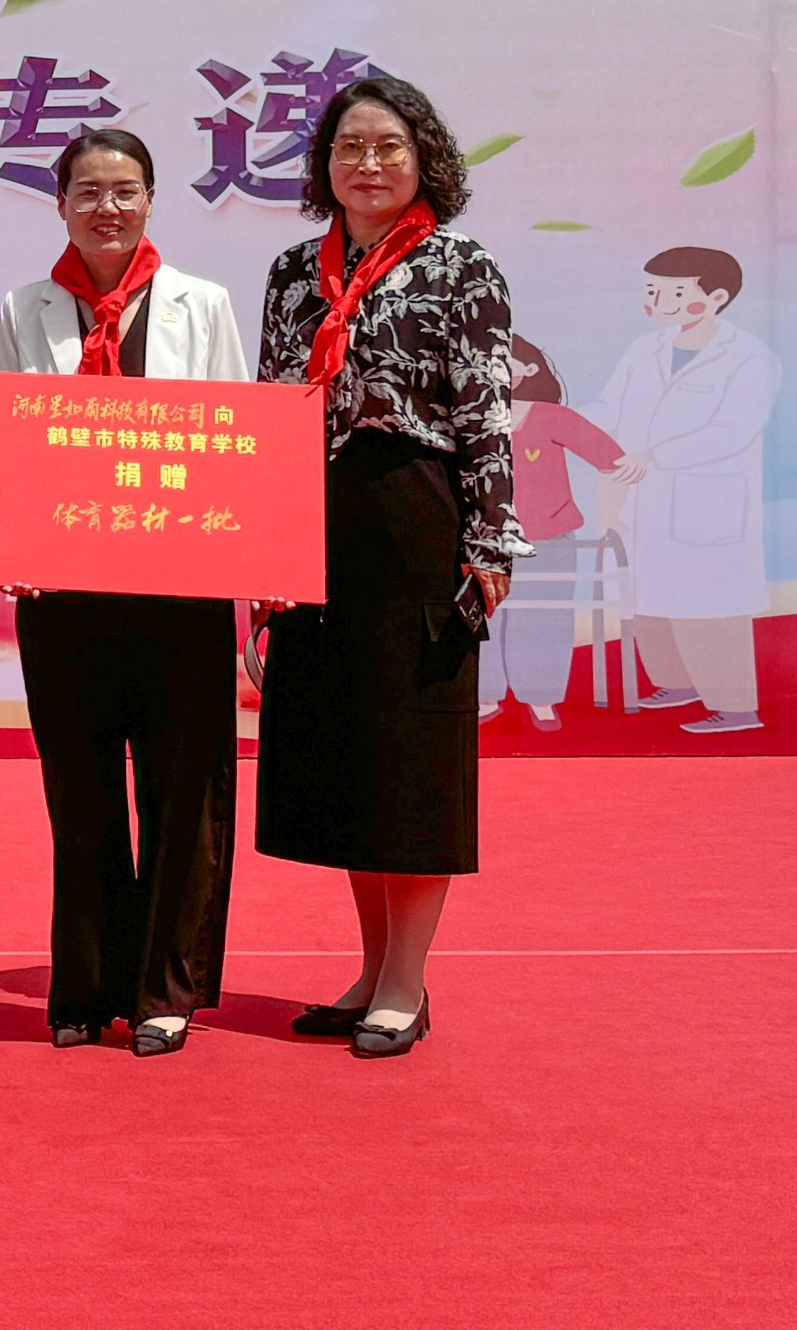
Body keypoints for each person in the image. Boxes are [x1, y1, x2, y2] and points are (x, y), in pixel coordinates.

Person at [251, 75, 515, 1060]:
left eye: (388, 147)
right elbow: (270, 412)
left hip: (417, 520)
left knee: (412, 759)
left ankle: (407, 980)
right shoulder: (289, 271)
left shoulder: (461, 266)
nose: (368, 164)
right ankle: (367, 969)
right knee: (348, 760)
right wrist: (261, 543)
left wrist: (489, 540)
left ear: (424, 159)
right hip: (315, 528)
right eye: (349, 147)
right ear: (324, 165)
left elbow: (487, 408)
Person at [0, 127, 250, 1057]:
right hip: (65, 597)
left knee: (186, 791)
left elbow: (238, 437)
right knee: (84, 791)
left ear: (151, 201)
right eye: (88, 191)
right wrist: (13, 540)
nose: (108, 206)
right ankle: (87, 984)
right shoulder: (27, 308)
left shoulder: (202, 304)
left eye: (126, 190)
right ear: (59, 204)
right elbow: (11, 440)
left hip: (181, 590)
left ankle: (164, 988)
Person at [584, 247, 781, 735]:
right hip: (641, 497)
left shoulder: (750, 357)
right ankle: (674, 683)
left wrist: (657, 456)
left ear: (715, 297)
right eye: (651, 291)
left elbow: (734, 429)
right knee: (646, 596)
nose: (659, 301)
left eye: (674, 292)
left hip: (707, 503)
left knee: (710, 606)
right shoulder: (644, 349)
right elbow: (611, 407)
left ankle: (737, 709)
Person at [478, 337, 625, 731]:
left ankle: (541, 698)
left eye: (505, 364)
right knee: (484, 616)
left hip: (549, 535)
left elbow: (609, 456)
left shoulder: (549, 416)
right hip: (483, 536)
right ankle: (484, 696)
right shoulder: (471, 416)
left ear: (529, 371)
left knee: (544, 619)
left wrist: (618, 500)